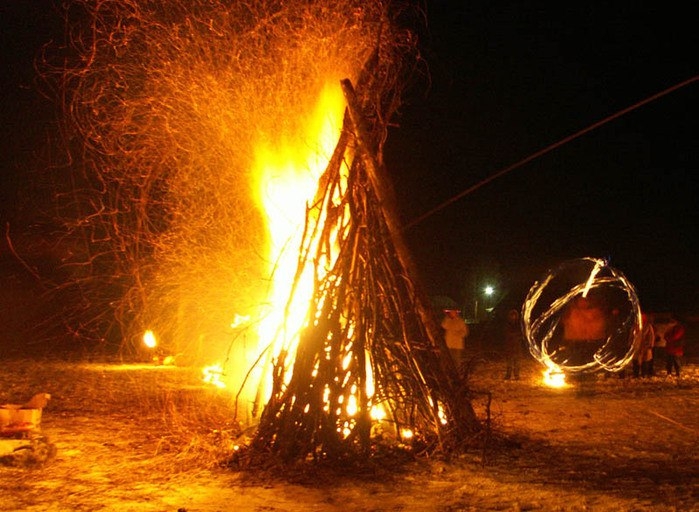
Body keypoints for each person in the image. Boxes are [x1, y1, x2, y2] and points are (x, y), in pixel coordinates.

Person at [503, 308, 525, 380]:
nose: (513, 317)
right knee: (509, 362)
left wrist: (518, 337)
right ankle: (508, 375)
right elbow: (506, 334)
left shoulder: (518, 325)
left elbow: (522, 334)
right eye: (512, 315)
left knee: (517, 362)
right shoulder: (507, 324)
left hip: (517, 346)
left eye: (514, 315)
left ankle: (516, 375)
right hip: (510, 346)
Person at [632, 313, 655, 378]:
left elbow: (651, 336)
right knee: (635, 360)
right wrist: (630, 343)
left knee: (644, 361)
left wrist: (650, 345)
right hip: (636, 346)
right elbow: (631, 335)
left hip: (645, 346)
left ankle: (643, 374)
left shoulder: (648, 326)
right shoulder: (635, 326)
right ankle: (635, 374)